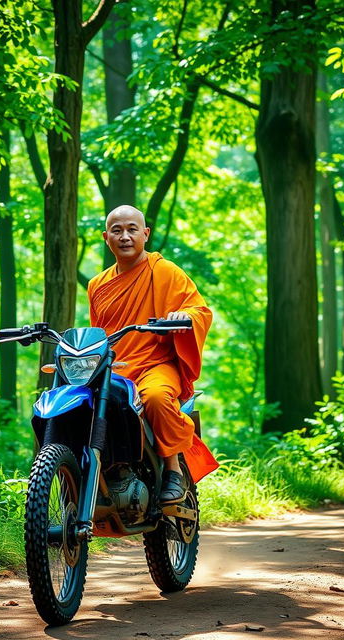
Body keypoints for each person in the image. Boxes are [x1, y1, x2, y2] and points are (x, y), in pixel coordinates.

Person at [87, 205, 217, 504]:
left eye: (132, 229)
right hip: (115, 367)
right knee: (84, 404)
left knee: (155, 398)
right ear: (106, 237)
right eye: (117, 231)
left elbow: (200, 311)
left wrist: (181, 317)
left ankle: (173, 469)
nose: (125, 236)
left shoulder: (165, 272)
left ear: (145, 234)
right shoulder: (97, 285)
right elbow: (100, 332)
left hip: (157, 364)